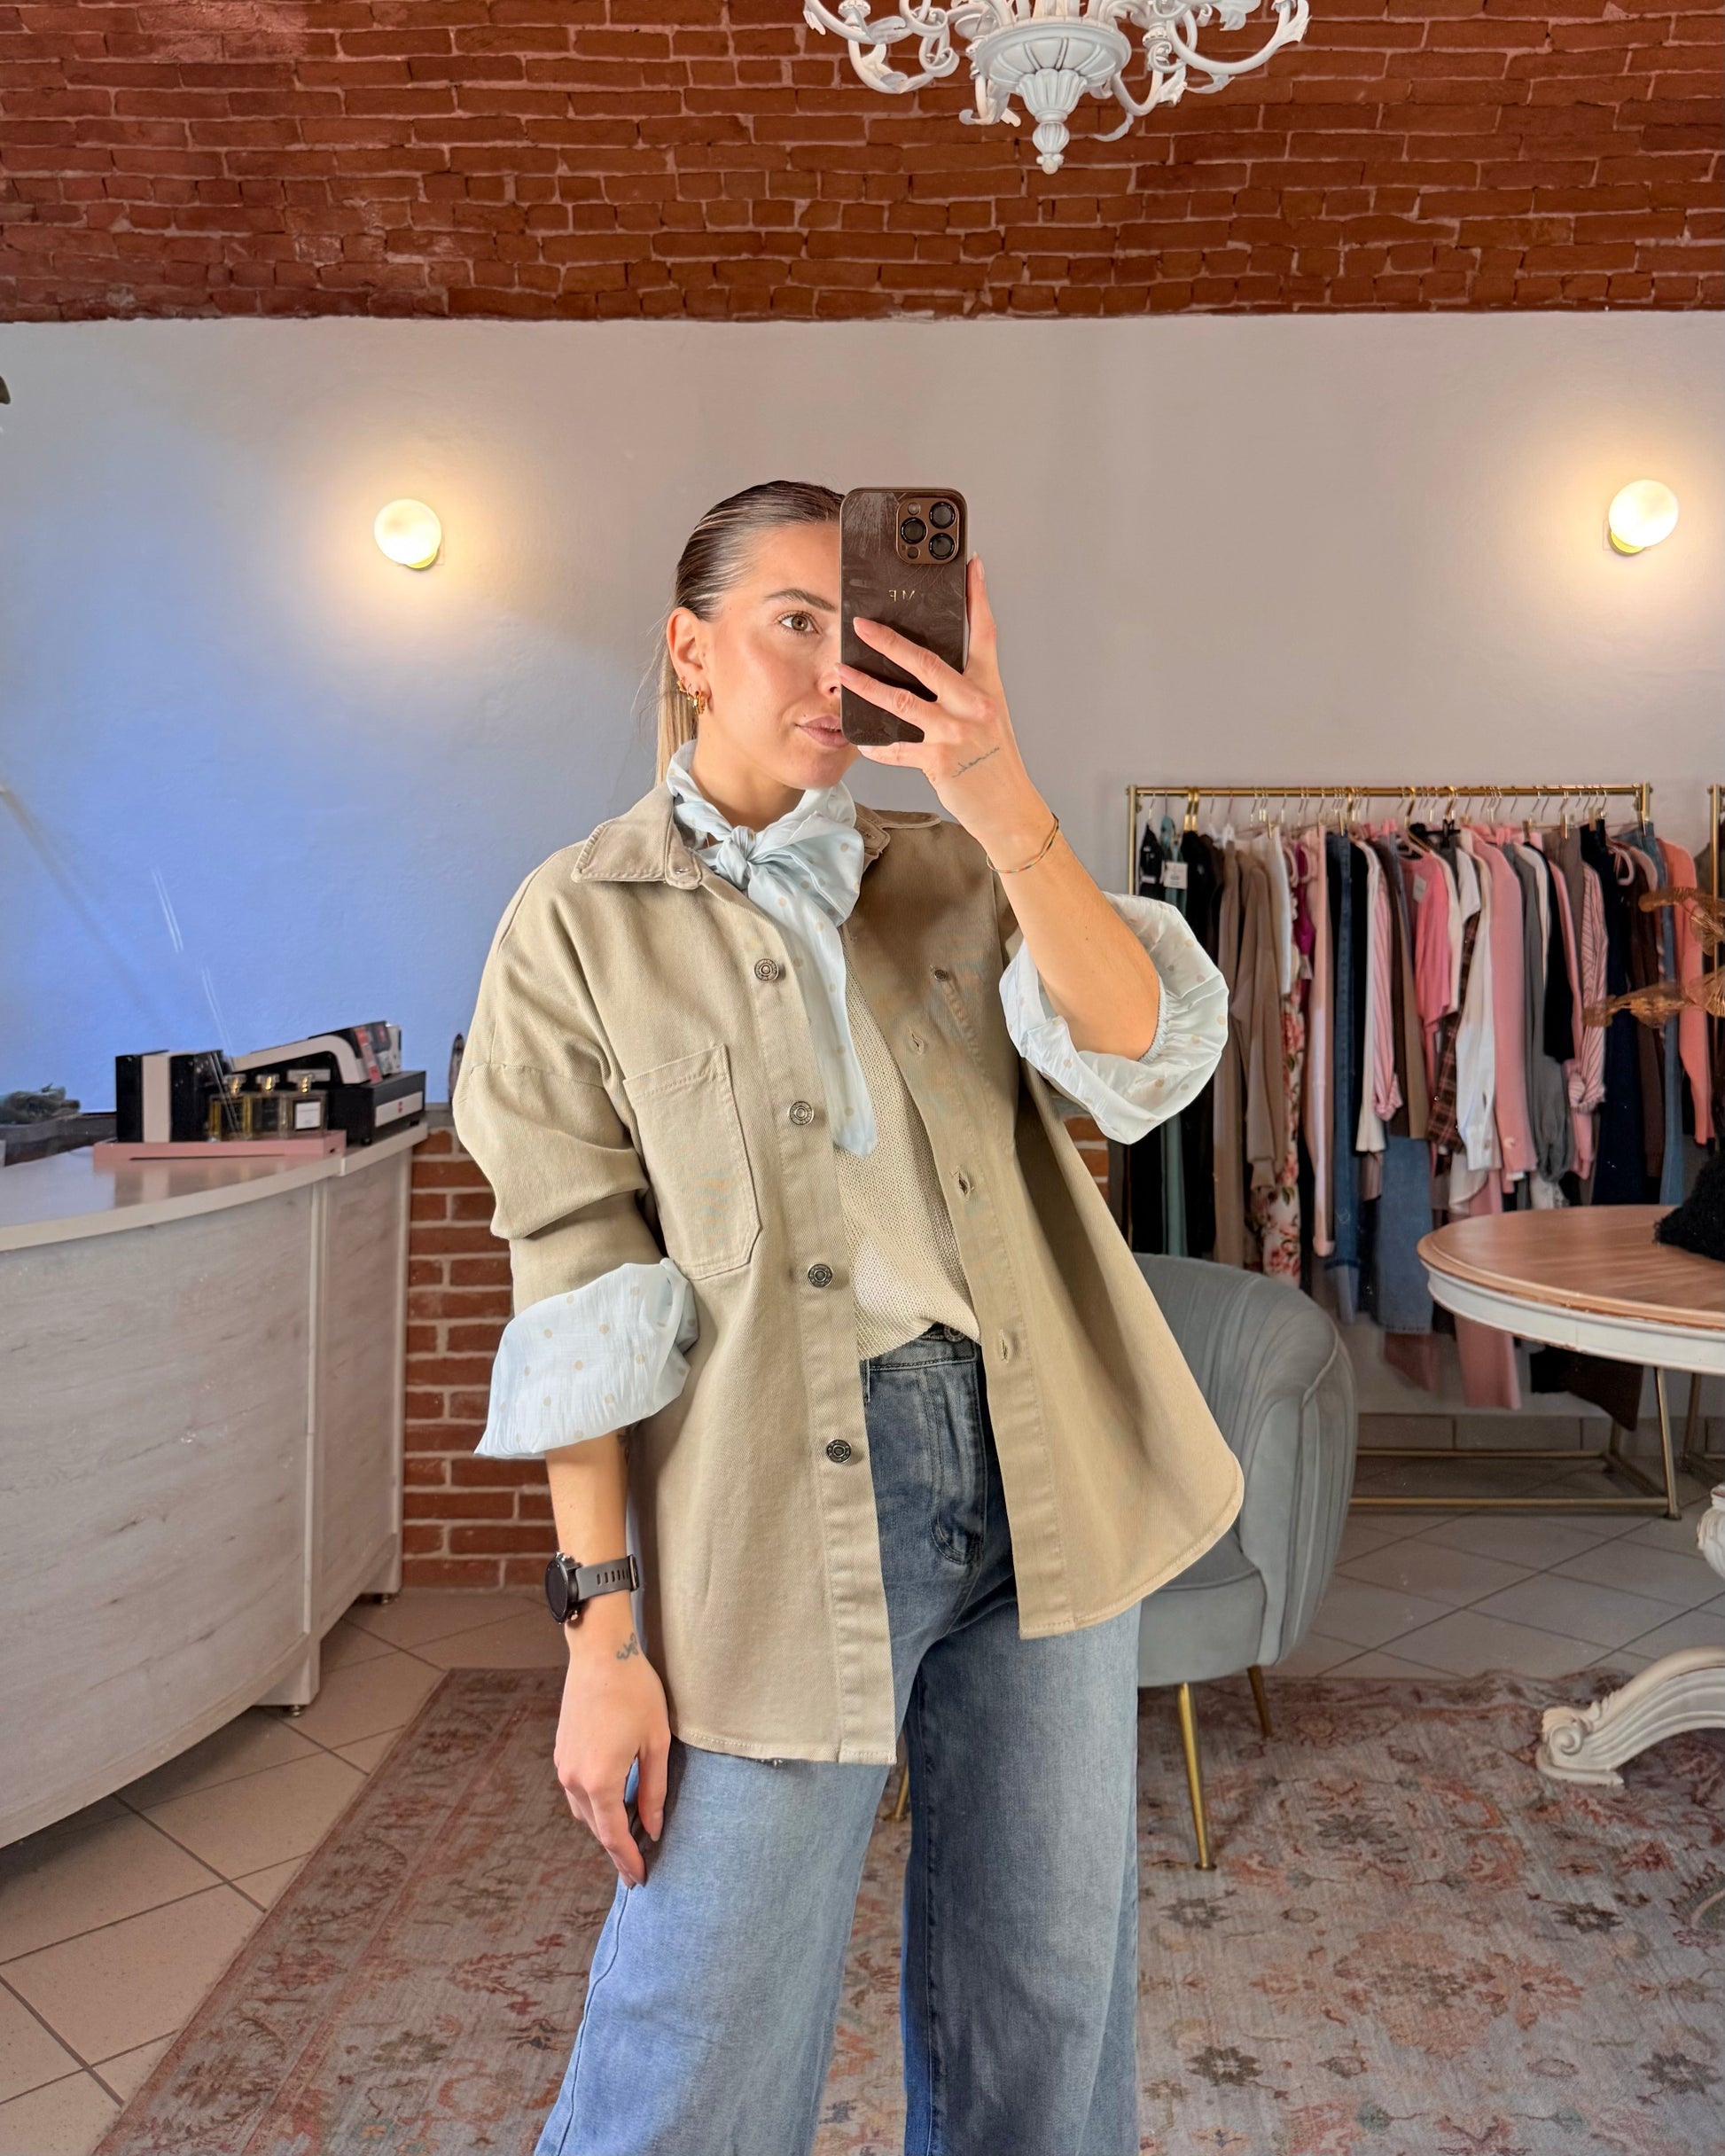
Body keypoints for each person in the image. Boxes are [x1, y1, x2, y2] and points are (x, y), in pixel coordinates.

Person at [452, 480, 1242, 2156]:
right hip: (776, 1499)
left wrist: (995, 787)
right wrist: (601, 1637)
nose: (833, 669)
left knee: (1043, 1993)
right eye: (792, 623)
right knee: (700, 2018)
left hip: (1042, 1458)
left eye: (864, 630)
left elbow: (1140, 1060)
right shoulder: (575, 925)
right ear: (691, 650)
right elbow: (580, 1288)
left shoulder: (955, 870)